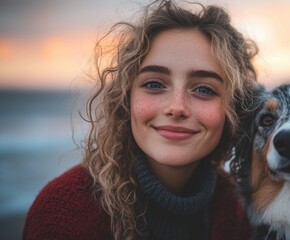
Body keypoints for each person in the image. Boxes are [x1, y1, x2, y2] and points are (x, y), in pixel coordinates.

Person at [23, 0, 259, 239]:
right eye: (154, 84)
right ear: (126, 99)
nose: (176, 108)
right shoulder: (66, 211)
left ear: (234, 109)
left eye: (204, 90)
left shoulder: (233, 205)